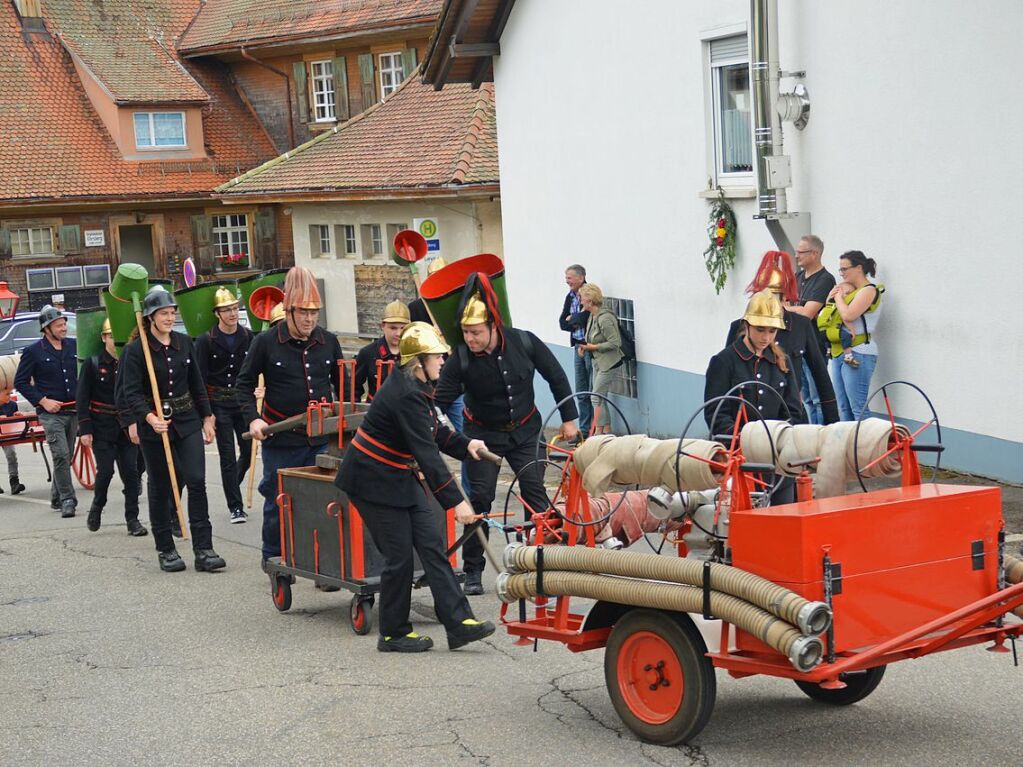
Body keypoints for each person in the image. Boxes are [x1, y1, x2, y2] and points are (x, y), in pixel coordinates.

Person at [335, 322, 497, 653]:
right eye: (437, 356)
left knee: (432, 547)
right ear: (418, 360)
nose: (443, 360)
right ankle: (393, 633)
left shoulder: (419, 387)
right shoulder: (407, 394)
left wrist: (466, 445)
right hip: (370, 480)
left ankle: (459, 624)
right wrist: (457, 503)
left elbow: (435, 430)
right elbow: (427, 455)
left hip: (397, 477)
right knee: (399, 559)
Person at [435, 274, 579, 595]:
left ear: (493, 327)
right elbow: (438, 405)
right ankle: (473, 571)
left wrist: (569, 418)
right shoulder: (459, 358)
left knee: (535, 496)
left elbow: (556, 375)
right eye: (466, 333)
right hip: (482, 438)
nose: (469, 339)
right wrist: (442, 437)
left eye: (475, 333)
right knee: (480, 501)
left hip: (526, 431)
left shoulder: (524, 341)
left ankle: (543, 564)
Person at [237, 267, 346, 568]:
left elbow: (342, 386)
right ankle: (273, 556)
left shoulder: (328, 341)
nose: (310, 319)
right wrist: (253, 419)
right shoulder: (266, 342)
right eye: (304, 312)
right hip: (282, 438)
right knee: (279, 499)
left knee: (327, 501)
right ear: (289, 310)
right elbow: (243, 386)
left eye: (315, 312)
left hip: (322, 438)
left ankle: (325, 562)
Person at [116, 287, 224, 573]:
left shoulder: (183, 342)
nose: (169, 317)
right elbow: (131, 392)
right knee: (161, 484)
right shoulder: (136, 350)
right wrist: (148, 418)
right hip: (156, 425)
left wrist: (207, 416)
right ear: (150, 317)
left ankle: (204, 549)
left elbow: (197, 383)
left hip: (187, 418)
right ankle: (166, 549)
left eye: (172, 312)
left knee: (196, 479)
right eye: (164, 313)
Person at [705, 290, 806, 504]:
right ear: (747, 325)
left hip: (778, 463)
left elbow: (795, 412)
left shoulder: (782, 361)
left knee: (783, 522)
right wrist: (747, 441)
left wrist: (783, 442)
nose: (766, 337)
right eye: (760, 330)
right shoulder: (724, 361)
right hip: (740, 462)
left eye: (772, 331)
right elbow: (716, 414)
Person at [725, 251, 839, 425]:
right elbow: (728, 376)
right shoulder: (740, 326)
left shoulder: (800, 325)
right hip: (748, 420)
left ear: (784, 296)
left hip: (790, 416)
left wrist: (832, 423)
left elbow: (820, 374)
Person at [76, 318, 146, 536]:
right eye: (110, 336)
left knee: (132, 474)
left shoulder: (130, 362)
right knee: (105, 472)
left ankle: (132, 519)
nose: (115, 341)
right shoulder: (93, 363)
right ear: (104, 338)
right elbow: (82, 397)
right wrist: (85, 429)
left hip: (127, 426)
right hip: (102, 427)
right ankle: (97, 507)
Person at [195, 286, 255, 524]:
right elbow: (199, 378)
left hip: (242, 401)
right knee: (227, 455)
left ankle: (233, 484)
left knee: (249, 451)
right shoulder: (206, 341)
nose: (232, 314)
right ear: (217, 313)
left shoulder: (249, 337)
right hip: (218, 403)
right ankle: (236, 506)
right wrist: (206, 414)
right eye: (226, 310)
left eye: (234, 309)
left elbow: (255, 370)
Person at [14, 305, 78, 517]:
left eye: (64, 324)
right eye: (59, 325)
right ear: (46, 328)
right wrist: (43, 400)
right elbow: (21, 382)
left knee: (66, 457)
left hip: (73, 410)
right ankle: (68, 499)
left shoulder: (74, 346)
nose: (63, 328)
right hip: (50, 414)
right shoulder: (33, 352)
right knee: (60, 454)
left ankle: (56, 496)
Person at [819, 251, 884, 421]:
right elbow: (829, 312)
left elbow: (848, 315)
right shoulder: (848, 290)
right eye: (840, 270)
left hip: (859, 351)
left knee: (858, 406)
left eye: (844, 269)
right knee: (842, 406)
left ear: (859, 268)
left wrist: (838, 297)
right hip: (838, 349)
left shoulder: (868, 290)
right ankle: (847, 446)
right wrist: (831, 298)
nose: (842, 274)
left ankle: (865, 445)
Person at [786, 235, 836, 424]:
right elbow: (784, 305)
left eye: (801, 252)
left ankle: (820, 436)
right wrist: (796, 308)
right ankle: (810, 436)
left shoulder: (825, 279)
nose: (796, 256)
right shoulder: (797, 277)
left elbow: (808, 313)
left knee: (817, 398)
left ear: (814, 254)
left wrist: (792, 309)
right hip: (797, 346)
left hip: (815, 346)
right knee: (805, 398)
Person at [576, 283, 623, 435]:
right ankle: (604, 430)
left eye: (582, 298)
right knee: (599, 396)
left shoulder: (605, 318)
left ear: (590, 300)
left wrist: (593, 348)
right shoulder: (592, 316)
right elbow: (589, 338)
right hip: (598, 361)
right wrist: (583, 347)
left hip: (608, 363)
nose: (580, 302)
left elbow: (615, 343)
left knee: (596, 398)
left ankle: (601, 432)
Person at [354, 301, 409, 401]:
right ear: (382, 326)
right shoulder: (368, 353)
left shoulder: (415, 353)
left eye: (403, 328)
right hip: (376, 412)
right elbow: (354, 388)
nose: (398, 333)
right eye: (393, 328)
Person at [560, 265, 592, 437]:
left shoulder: (589, 293)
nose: (567, 281)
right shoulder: (570, 297)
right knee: (581, 391)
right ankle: (585, 430)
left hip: (591, 347)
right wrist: (573, 320)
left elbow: (588, 316)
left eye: (569, 278)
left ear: (581, 278)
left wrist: (573, 318)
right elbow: (561, 323)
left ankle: (596, 429)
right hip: (578, 346)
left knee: (592, 390)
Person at [0, 392, 25, 495]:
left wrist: (17, 416)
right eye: (6, 394)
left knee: (11, 455)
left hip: (6, 434)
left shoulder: (12, 405)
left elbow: (15, 424)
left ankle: (14, 482)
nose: (9, 396)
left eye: (10, 393)